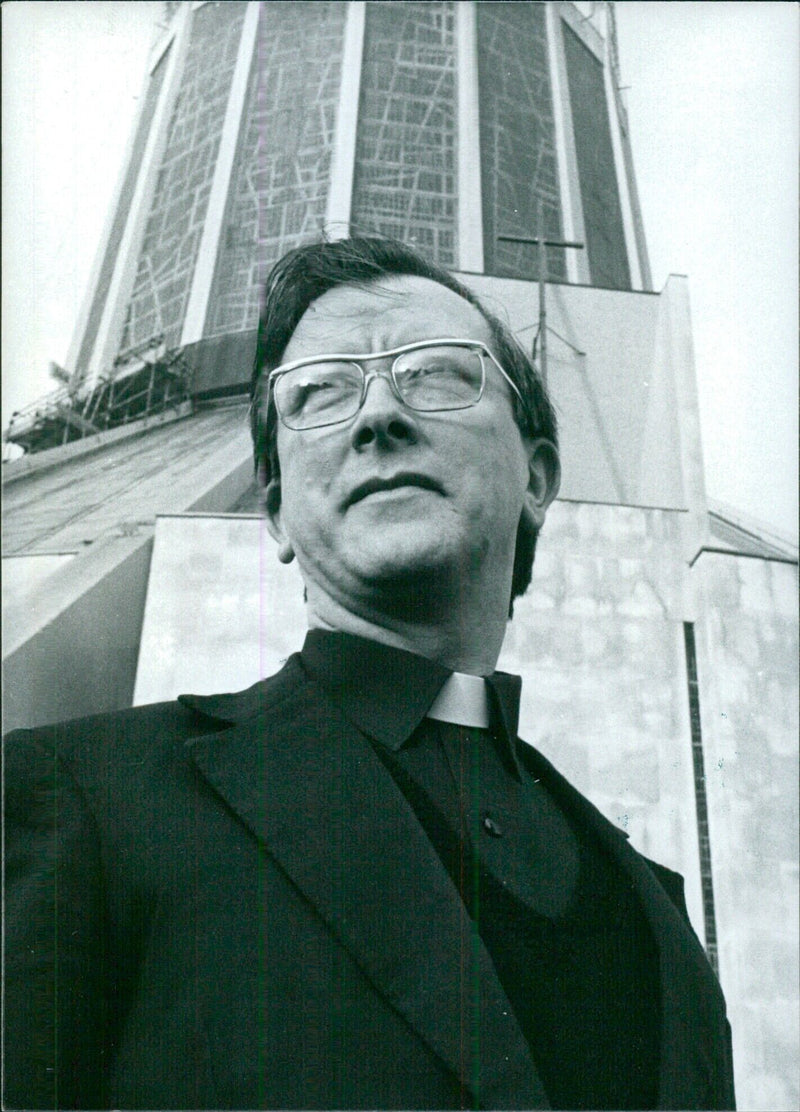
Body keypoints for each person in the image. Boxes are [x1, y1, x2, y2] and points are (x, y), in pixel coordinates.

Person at [5, 236, 735, 1110]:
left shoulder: (658, 913)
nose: (377, 415)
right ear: (274, 512)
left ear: (537, 475)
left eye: (433, 373)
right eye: (319, 392)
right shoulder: (95, 797)